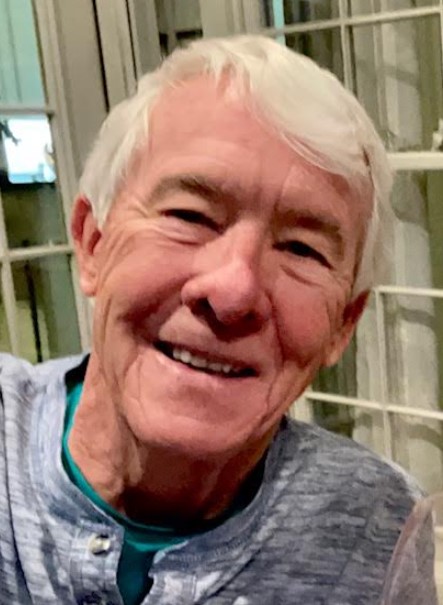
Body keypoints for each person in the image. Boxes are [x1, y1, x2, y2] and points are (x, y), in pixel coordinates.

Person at [0, 36, 435, 605]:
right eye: (190, 216)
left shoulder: (379, 527)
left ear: (344, 325)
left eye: (302, 250)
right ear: (92, 243)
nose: (234, 291)